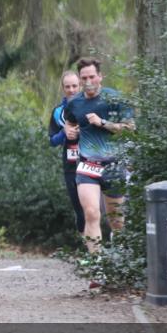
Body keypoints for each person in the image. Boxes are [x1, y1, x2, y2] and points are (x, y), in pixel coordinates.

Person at [63, 57, 134, 254]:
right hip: (88, 165)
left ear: (100, 77)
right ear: (80, 78)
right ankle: (98, 266)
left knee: (116, 221)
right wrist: (69, 131)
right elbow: (69, 121)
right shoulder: (74, 103)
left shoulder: (115, 99)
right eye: (84, 77)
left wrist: (103, 123)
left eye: (92, 77)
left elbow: (130, 129)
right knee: (91, 213)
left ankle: (120, 261)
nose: (88, 82)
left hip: (113, 165)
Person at [48, 70, 85, 235]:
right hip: (70, 164)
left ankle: (101, 252)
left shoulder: (91, 105)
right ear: (63, 88)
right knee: (79, 209)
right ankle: (89, 252)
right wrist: (64, 132)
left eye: (74, 86)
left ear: (80, 86)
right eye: (68, 87)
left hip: (92, 160)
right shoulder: (58, 112)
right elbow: (52, 141)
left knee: (93, 208)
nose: (71, 90)